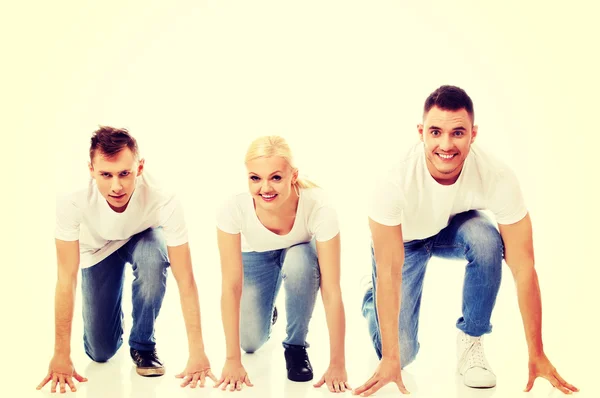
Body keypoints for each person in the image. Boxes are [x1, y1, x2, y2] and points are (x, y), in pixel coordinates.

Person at [354, 86, 579, 396]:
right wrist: (391, 359)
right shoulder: (393, 181)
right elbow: (391, 269)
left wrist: (536, 352)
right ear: (421, 132)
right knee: (401, 356)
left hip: (451, 228)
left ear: (473, 134)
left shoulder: (497, 176)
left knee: (487, 240)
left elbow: (524, 267)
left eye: (458, 133)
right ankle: (371, 300)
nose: (446, 145)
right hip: (403, 241)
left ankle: (471, 343)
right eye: (436, 132)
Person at [37, 126, 216, 394]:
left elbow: (186, 278)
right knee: (100, 352)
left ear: (140, 167)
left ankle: (143, 344)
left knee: (153, 259)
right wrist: (61, 353)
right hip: (97, 249)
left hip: (142, 237)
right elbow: (66, 279)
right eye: (105, 175)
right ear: (91, 170)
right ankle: (111, 318)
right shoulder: (71, 200)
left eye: (125, 173)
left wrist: (198, 352)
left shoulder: (164, 198)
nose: (116, 186)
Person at [215, 135, 350, 393]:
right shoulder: (233, 209)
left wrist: (338, 362)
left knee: (299, 261)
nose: (265, 188)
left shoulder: (319, 207)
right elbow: (231, 286)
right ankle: (268, 311)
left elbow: (332, 290)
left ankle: (296, 346)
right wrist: (233, 359)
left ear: (293, 175)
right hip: (255, 257)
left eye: (276, 177)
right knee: (250, 343)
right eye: (255, 178)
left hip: (298, 255)